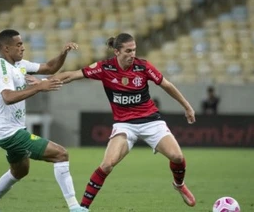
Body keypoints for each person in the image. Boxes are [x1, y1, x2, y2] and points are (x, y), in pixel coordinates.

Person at [27, 33, 197, 210]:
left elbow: (167, 85)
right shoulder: (105, 68)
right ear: (116, 51)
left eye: (134, 50)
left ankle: (179, 185)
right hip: (124, 125)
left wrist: (187, 107)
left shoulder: (143, 66)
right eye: (128, 51)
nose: (132, 54)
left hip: (151, 121)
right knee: (107, 165)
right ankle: (83, 208)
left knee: (177, 157)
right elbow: (71, 75)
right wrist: (43, 82)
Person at [0, 29, 88, 212]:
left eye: (22, 43)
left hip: (11, 131)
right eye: (18, 44)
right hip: (10, 133)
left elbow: (49, 68)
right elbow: (8, 97)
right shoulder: (1, 67)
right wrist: (39, 88)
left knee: (20, 171)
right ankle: (75, 207)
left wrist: (63, 53)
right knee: (61, 154)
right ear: (6, 48)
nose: (23, 47)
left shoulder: (19, 64)